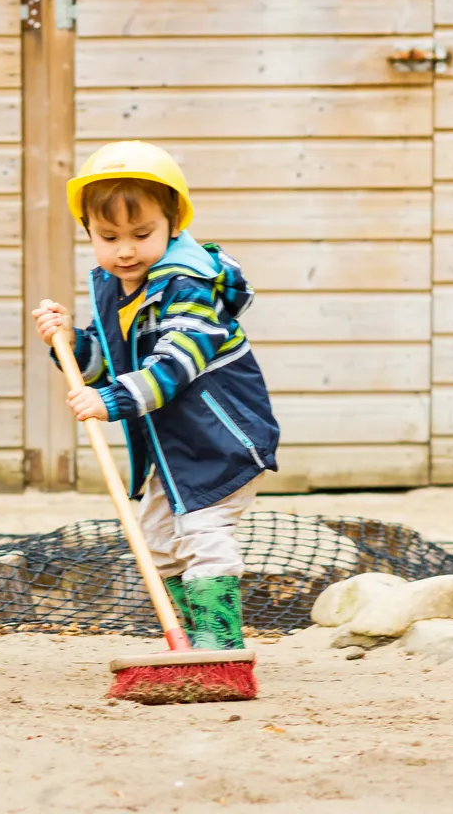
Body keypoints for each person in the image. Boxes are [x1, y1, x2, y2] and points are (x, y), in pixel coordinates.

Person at [32, 140, 280, 650]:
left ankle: (219, 645)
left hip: (219, 442)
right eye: (108, 236)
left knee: (204, 535)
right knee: (160, 542)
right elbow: (109, 359)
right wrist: (72, 345)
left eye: (142, 234)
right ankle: (188, 646)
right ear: (89, 234)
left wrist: (111, 402)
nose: (125, 249)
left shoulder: (189, 286)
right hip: (169, 451)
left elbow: (176, 364)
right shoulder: (116, 285)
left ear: (173, 224)